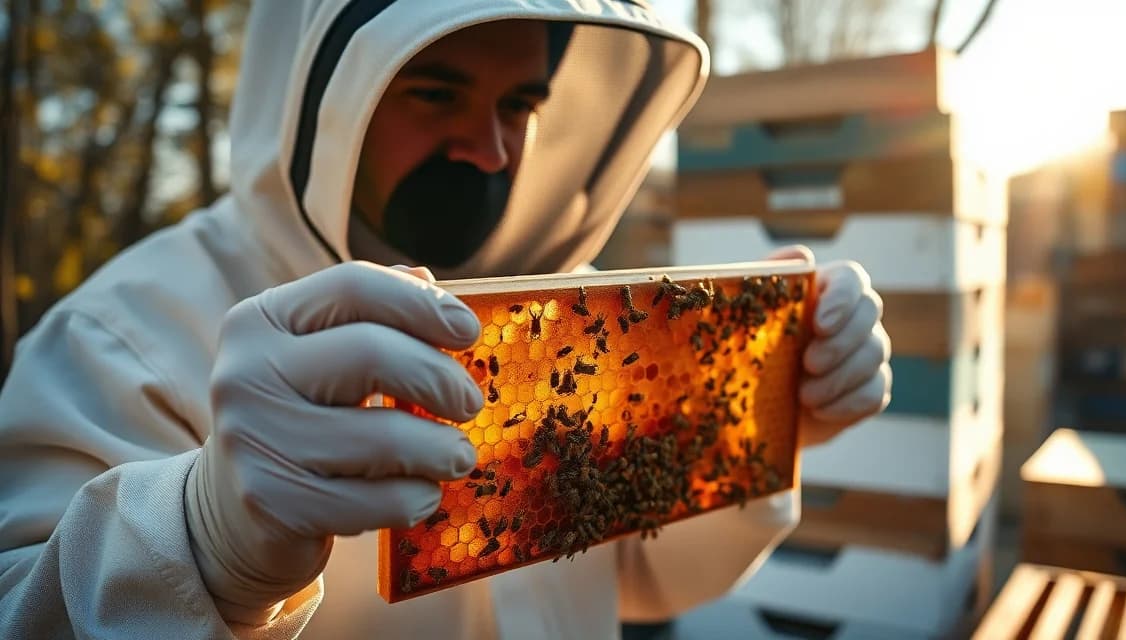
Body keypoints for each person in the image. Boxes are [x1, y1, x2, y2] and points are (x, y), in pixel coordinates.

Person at [0, 1, 892, 638]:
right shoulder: (118, 335)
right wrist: (197, 543)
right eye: (435, 93)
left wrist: (753, 422)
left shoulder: (561, 314)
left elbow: (639, 581)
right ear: (323, 99)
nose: (491, 149)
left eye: (520, 105)